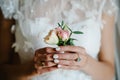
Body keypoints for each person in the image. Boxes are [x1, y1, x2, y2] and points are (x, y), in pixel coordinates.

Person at [0, 0, 118, 80]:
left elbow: (109, 73)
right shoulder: (12, 3)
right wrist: (31, 69)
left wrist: (86, 63)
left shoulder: (104, 3)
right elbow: (3, 72)